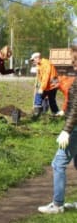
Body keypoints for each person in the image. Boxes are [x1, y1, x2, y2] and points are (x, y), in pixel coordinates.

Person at [38, 45, 77, 214]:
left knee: (58, 163)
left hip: (75, 128)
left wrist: (66, 130)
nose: (73, 64)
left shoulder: (65, 79)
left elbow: (76, 106)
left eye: (75, 61)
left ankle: (57, 204)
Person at [30, 52, 62, 118]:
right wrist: (38, 83)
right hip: (51, 84)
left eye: (33, 60)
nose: (32, 62)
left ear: (37, 58)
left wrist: (42, 88)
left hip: (51, 84)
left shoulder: (46, 64)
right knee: (51, 100)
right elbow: (40, 76)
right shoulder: (39, 65)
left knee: (39, 96)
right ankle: (56, 114)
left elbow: (46, 76)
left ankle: (37, 113)